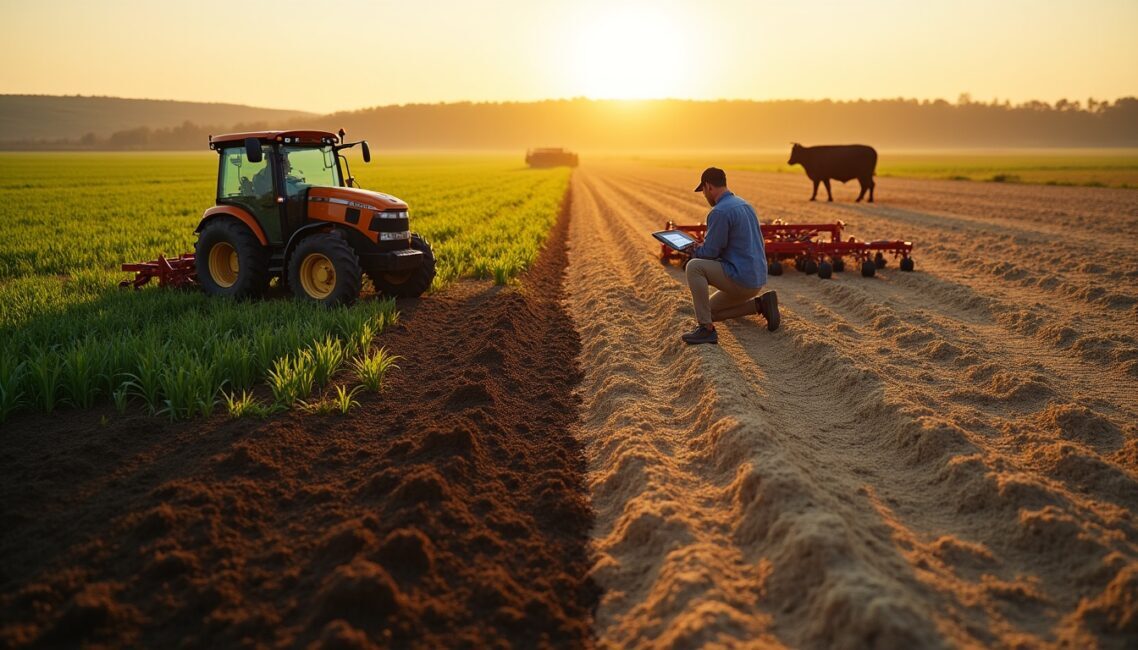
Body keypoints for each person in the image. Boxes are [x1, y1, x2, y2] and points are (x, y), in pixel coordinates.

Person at [680, 167, 780, 345]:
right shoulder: (744, 205)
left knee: (694, 267)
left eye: (703, 191)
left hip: (741, 279)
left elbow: (710, 253)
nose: (704, 195)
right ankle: (760, 305)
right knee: (709, 311)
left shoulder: (719, 211)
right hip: (756, 279)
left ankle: (706, 330)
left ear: (708, 186)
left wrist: (691, 250)